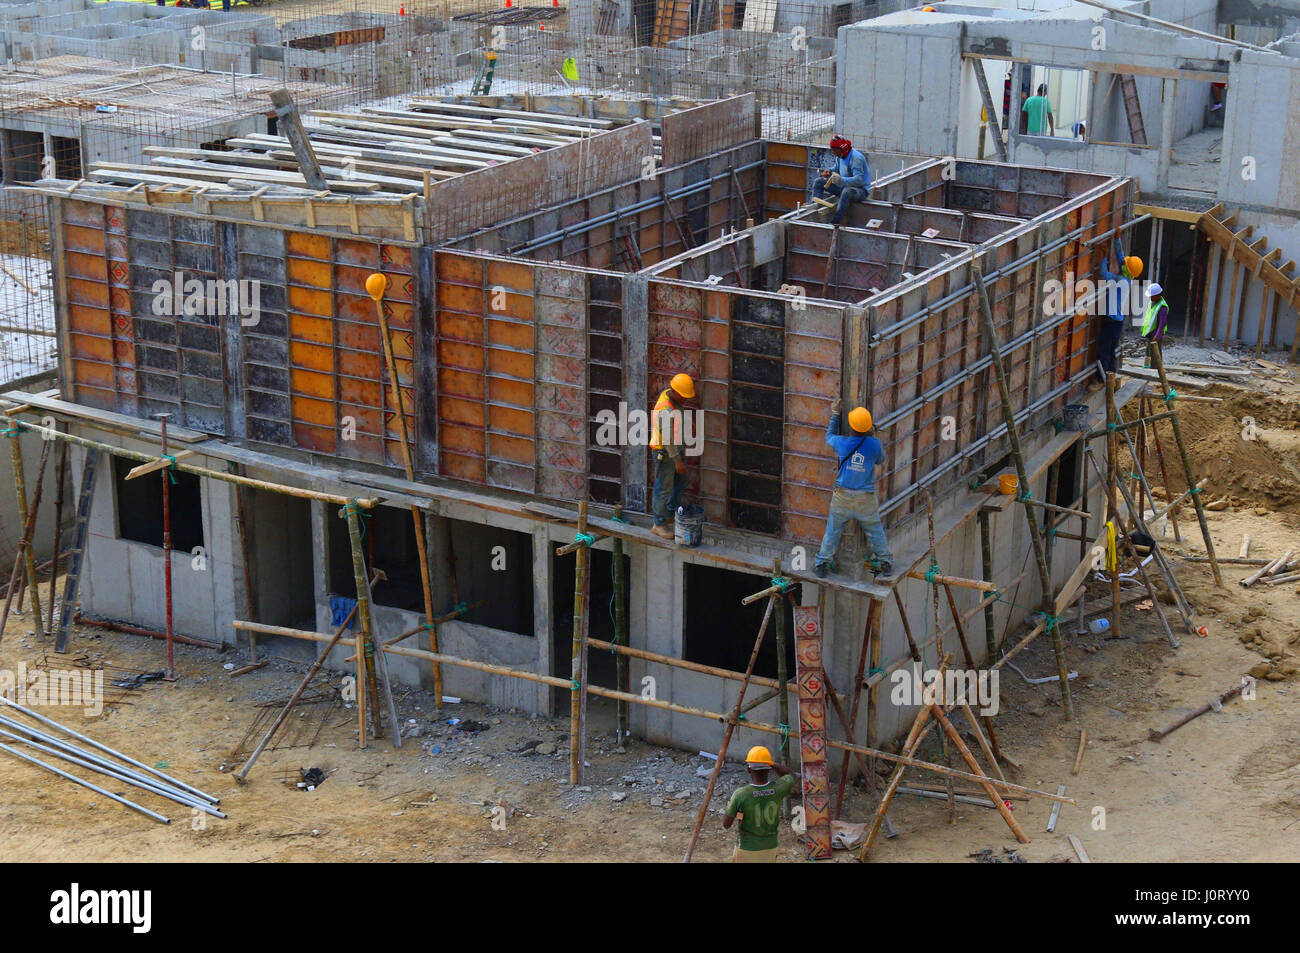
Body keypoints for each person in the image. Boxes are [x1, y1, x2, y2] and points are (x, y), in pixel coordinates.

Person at [814, 399, 893, 578]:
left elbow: (829, 436)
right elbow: (880, 460)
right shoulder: (874, 445)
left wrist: (835, 414)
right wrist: (871, 438)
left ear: (851, 426)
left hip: (842, 497)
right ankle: (885, 562)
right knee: (875, 530)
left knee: (832, 531)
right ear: (867, 427)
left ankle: (822, 564)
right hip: (865, 499)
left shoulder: (842, 443)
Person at [723, 746, 799, 863]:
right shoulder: (779, 788)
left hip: (746, 847)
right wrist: (772, 764)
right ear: (769, 769)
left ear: (749, 770)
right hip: (770, 846)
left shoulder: (741, 794)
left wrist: (731, 808)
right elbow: (791, 774)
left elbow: (726, 824)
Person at [649, 373, 695, 539]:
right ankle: (659, 524)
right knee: (663, 488)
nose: (685, 400)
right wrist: (678, 461)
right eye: (683, 396)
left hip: (674, 449)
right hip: (666, 453)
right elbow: (667, 440)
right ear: (675, 392)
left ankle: (669, 512)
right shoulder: (665, 409)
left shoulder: (671, 396)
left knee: (681, 481)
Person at [1097, 246, 1142, 383]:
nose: (1123, 263)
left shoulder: (1120, 281)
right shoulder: (1127, 279)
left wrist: (1103, 257)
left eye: (1125, 264)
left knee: (1105, 350)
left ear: (1126, 269)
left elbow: (1103, 274)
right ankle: (1111, 377)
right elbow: (1122, 259)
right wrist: (1117, 240)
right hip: (1117, 322)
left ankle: (1102, 379)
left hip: (1111, 321)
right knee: (1111, 351)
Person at [811, 135, 870, 226]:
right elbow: (837, 168)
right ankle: (813, 208)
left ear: (843, 148)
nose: (833, 153)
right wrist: (830, 171)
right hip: (844, 187)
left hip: (859, 191)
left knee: (847, 192)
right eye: (832, 150)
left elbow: (859, 180)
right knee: (819, 182)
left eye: (835, 150)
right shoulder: (840, 156)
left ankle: (835, 221)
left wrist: (841, 180)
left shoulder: (856, 158)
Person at [1141, 283, 1170, 359]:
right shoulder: (1152, 302)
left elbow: (1162, 323)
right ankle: (1148, 367)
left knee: (1156, 355)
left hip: (1156, 334)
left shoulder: (1162, 306)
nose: (1150, 298)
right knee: (1148, 353)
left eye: (1152, 296)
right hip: (1150, 333)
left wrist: (1158, 336)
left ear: (1158, 295)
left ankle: (1156, 369)